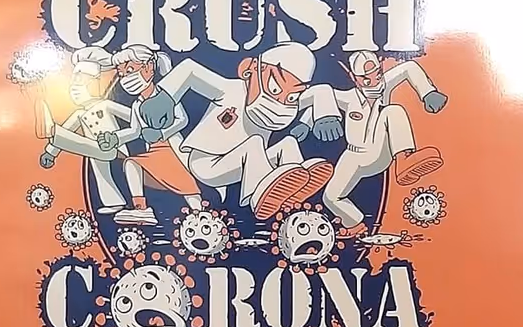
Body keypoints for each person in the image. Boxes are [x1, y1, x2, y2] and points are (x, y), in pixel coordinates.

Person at [138, 42, 333, 220]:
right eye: (275, 88)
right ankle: (258, 196)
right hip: (208, 164)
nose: (282, 102)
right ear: (249, 70)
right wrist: (166, 96)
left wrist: (325, 114)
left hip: (248, 164)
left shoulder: (286, 106)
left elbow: (321, 91)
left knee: (288, 144)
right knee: (255, 143)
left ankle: (294, 185)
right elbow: (190, 71)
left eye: (292, 97)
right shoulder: (228, 90)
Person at [293, 50, 446, 236]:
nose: (374, 83)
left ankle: (404, 159)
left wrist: (427, 92)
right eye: (366, 80)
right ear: (354, 77)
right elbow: (319, 95)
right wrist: (306, 123)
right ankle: (354, 223)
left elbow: (409, 68)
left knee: (393, 111)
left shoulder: (386, 84)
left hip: (381, 150)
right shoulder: (348, 98)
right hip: (353, 155)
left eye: (377, 75)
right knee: (331, 197)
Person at [101, 45, 205, 226]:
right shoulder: (136, 105)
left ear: (149, 68)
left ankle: (201, 216)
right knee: (132, 163)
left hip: (172, 150)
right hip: (154, 152)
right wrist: (115, 138)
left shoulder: (166, 95)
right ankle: (141, 209)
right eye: (122, 73)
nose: (126, 78)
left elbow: (183, 119)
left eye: (130, 70)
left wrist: (161, 132)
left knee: (187, 186)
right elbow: (134, 131)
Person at [38, 48, 132, 214]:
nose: (75, 87)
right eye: (74, 82)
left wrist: (123, 136)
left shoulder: (105, 105)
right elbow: (68, 129)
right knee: (100, 170)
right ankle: (113, 202)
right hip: (95, 148)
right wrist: (50, 153)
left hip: (114, 146)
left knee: (96, 153)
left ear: (95, 84)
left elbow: (134, 117)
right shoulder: (79, 114)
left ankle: (53, 131)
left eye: (81, 82)